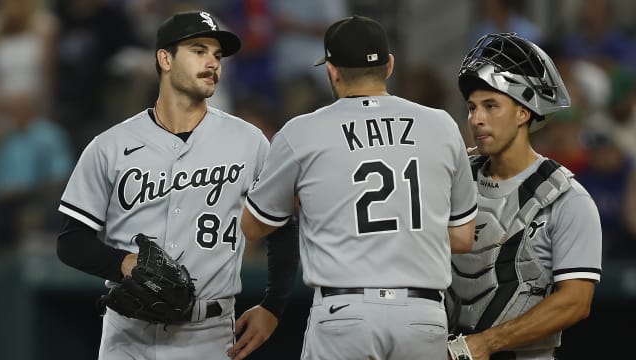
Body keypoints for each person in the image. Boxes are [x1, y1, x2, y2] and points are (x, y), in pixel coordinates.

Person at [56, 10, 298, 359]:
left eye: (217, 55)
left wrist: (273, 306)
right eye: (198, 50)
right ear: (165, 59)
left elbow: (282, 228)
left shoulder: (249, 141)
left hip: (209, 334)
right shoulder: (110, 145)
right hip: (128, 335)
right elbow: (71, 241)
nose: (212, 62)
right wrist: (125, 263)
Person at [234, 15, 477, 360]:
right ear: (389, 65)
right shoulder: (441, 125)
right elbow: (463, 237)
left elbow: (254, 227)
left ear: (332, 70)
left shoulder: (302, 132)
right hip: (423, 317)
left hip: (345, 313)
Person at [447, 32, 603, 360]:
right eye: (472, 107)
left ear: (524, 112)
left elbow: (576, 301)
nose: (477, 119)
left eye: (491, 106)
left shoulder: (567, 197)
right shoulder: (454, 182)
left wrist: (485, 343)